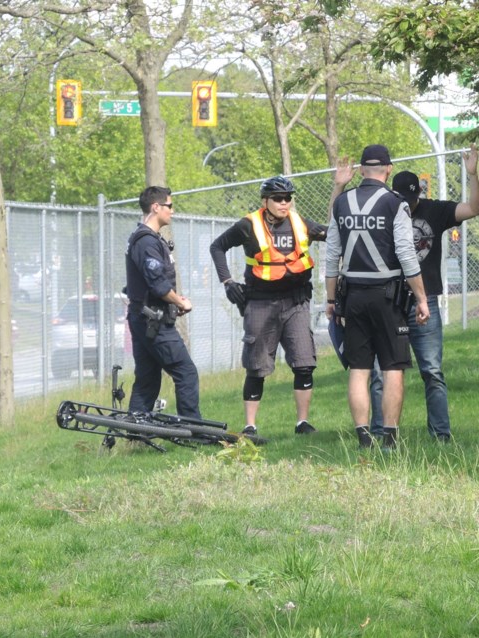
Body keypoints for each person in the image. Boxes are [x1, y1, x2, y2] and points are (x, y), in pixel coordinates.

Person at [210, 175, 339, 443]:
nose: (284, 203)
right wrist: (227, 281)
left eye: (288, 198)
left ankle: (302, 422)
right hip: (260, 302)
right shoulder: (248, 225)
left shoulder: (299, 223)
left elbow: (334, 234)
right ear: (265, 201)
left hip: (296, 302)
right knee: (257, 367)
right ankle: (250, 427)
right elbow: (217, 246)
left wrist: (339, 188)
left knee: (304, 363)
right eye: (278, 199)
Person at [369, 144, 479, 442]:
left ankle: (441, 435)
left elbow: (474, 209)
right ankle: (381, 432)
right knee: (382, 372)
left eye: (413, 199)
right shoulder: (384, 209)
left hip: (426, 299)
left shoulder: (435, 210)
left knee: (432, 370)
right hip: (389, 298)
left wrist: (472, 175)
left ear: (419, 194)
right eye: (404, 200)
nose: (409, 205)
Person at [324, 144, 430, 450]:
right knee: (392, 367)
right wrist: (421, 298)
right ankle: (390, 439)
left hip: (352, 296)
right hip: (387, 298)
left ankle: (362, 438)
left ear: (360, 170)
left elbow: (332, 255)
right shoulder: (395, 203)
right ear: (389, 169)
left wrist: (331, 301)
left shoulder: (342, 203)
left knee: (359, 368)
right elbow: (407, 255)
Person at [125, 186, 201, 419]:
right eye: (169, 206)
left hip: (145, 316)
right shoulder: (146, 242)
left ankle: (136, 431)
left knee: (147, 378)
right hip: (152, 321)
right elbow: (157, 283)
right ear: (155, 207)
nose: (173, 211)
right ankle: (193, 429)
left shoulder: (147, 239)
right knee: (185, 372)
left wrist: (171, 304)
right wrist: (180, 302)